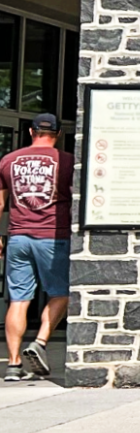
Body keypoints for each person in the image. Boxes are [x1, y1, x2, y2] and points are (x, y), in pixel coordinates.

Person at [2, 113, 73, 382]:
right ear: (57, 134)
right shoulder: (66, 162)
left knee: (19, 299)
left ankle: (13, 363)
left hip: (18, 237)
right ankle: (40, 343)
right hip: (53, 237)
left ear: (31, 131)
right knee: (61, 293)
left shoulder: (8, 160)